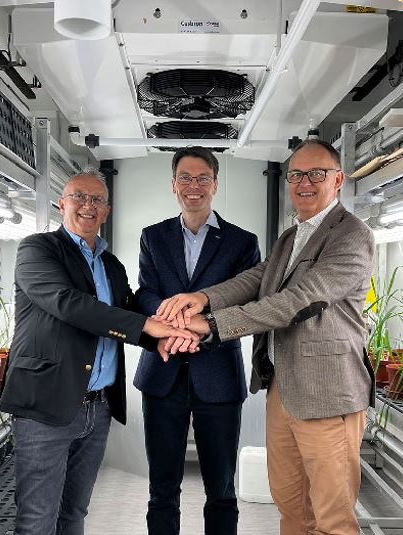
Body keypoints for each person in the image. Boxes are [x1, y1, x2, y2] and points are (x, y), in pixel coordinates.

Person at [157, 140, 376, 535]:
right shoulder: (292, 237)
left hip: (328, 395)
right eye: (296, 175)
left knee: (332, 518)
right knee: (292, 508)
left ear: (338, 179)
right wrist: (202, 298)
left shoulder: (351, 234)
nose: (304, 183)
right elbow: (256, 279)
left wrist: (213, 323)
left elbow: (299, 300)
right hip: (284, 391)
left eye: (316, 174)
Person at [0, 169, 197, 535]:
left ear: (107, 210)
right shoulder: (37, 249)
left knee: (74, 514)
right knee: (37, 520)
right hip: (45, 405)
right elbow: (68, 304)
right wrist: (148, 326)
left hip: (98, 407)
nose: (87, 205)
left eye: (97, 200)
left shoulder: (111, 265)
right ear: (62, 203)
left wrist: (161, 336)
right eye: (79, 196)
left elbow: (128, 309)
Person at [133, 146, 261, 535]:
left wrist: (193, 329)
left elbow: (246, 301)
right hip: (162, 374)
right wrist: (174, 328)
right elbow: (146, 293)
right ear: (173, 184)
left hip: (218, 375)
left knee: (221, 490)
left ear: (215, 184)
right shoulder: (153, 236)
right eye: (185, 178)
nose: (194, 186)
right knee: (162, 490)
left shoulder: (242, 242)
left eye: (203, 178)